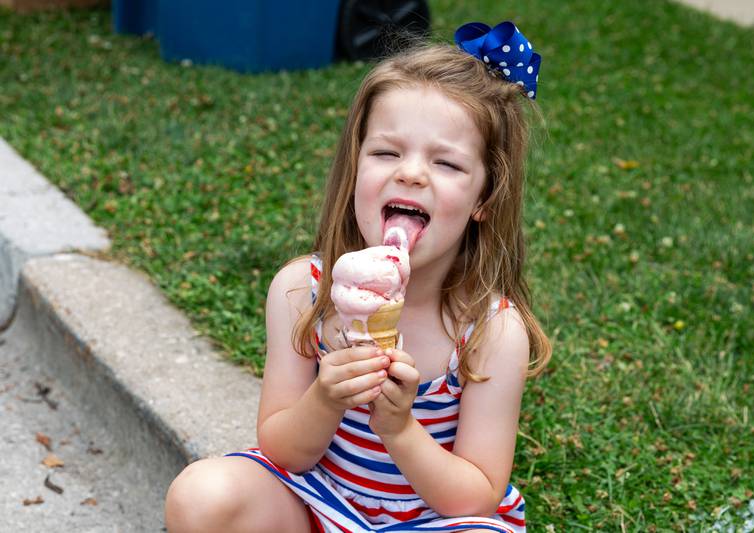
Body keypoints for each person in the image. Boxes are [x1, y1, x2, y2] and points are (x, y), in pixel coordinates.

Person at [165, 21, 551, 533]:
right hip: (318, 501)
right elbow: (283, 450)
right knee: (201, 495)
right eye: (386, 153)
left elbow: (476, 496)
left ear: (485, 198)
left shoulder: (490, 331)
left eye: (447, 163)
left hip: (433, 521)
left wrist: (400, 428)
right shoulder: (303, 291)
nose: (410, 173)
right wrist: (325, 399)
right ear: (355, 167)